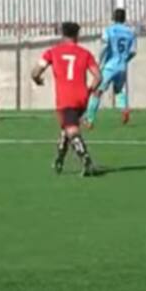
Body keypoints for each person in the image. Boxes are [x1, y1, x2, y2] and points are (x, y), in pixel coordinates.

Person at [32, 22, 101, 177]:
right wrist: (89, 90)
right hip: (82, 98)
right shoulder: (85, 53)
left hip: (65, 98)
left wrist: (37, 80)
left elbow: (35, 72)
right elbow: (98, 76)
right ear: (77, 35)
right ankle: (59, 159)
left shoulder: (52, 52)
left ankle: (86, 160)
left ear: (62, 34)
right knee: (66, 128)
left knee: (71, 130)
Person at [86, 8, 137, 127]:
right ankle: (124, 109)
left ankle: (89, 119)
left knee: (97, 92)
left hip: (110, 66)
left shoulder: (109, 30)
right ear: (124, 18)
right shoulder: (131, 32)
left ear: (113, 18)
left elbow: (104, 47)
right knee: (118, 90)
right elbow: (133, 51)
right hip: (122, 67)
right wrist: (125, 60)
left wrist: (99, 62)